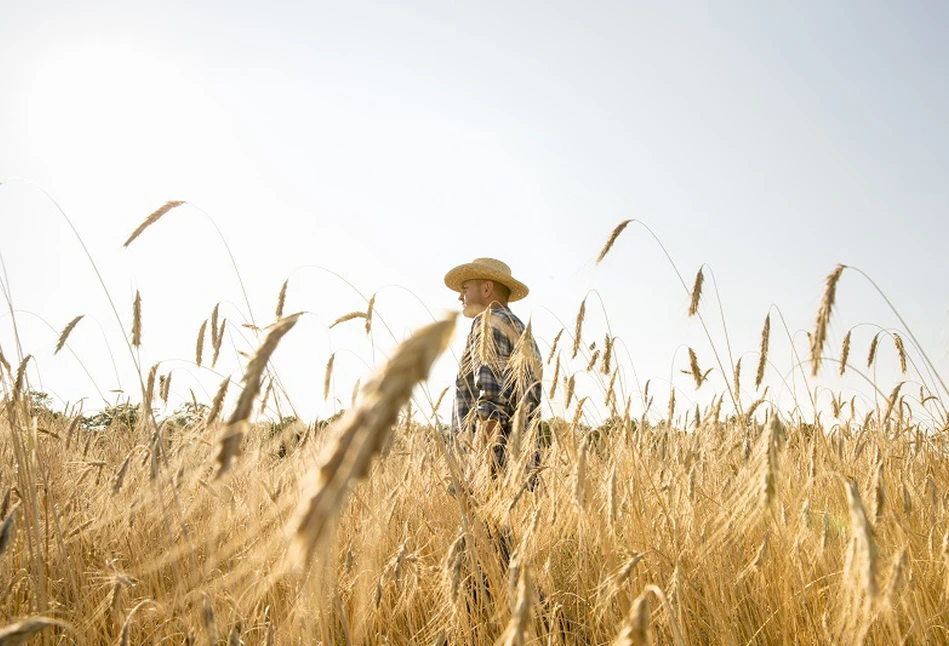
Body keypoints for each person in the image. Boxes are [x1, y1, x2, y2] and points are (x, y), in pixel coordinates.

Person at [444, 257, 543, 478]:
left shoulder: (488, 322)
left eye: (465, 288)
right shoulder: (518, 328)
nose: (460, 296)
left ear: (487, 288)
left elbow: (491, 399)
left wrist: (477, 466)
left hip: (491, 469)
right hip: (519, 467)